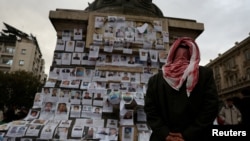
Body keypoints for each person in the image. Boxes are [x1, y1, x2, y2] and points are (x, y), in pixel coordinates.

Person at [144, 37, 219, 141]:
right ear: (193, 52)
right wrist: (188, 134)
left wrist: (165, 134)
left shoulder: (155, 80)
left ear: (172, 53)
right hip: (197, 136)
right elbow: (211, 107)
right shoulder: (204, 74)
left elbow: (150, 110)